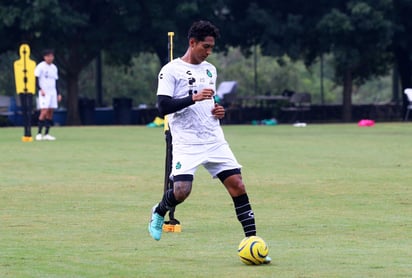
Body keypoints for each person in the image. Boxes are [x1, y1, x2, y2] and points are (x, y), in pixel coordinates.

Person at [148, 20, 270, 263]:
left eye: (212, 47)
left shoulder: (210, 70)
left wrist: (217, 110)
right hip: (186, 141)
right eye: (205, 46)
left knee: (238, 185)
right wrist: (192, 98)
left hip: (213, 139)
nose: (209, 51)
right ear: (192, 43)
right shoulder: (170, 70)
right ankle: (159, 211)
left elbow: (209, 101)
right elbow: (162, 107)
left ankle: (253, 243)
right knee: (182, 192)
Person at [34, 49, 61, 141]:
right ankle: (38, 133)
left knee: (50, 112)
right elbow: (35, 80)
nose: (50, 58)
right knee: (44, 111)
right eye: (48, 56)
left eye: (52, 56)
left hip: (53, 92)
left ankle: (47, 134)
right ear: (44, 57)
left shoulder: (54, 67)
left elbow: (56, 81)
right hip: (44, 92)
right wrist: (40, 89)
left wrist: (58, 93)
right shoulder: (40, 66)